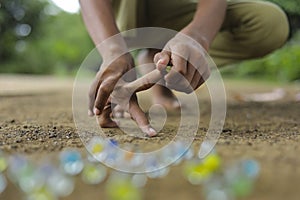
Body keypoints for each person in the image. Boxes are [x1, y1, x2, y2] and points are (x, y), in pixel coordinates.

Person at [79, 0, 289, 136]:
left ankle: (161, 57)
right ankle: (144, 54)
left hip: (178, 8)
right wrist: (113, 50)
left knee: (271, 23)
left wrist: (198, 36)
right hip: (125, 9)